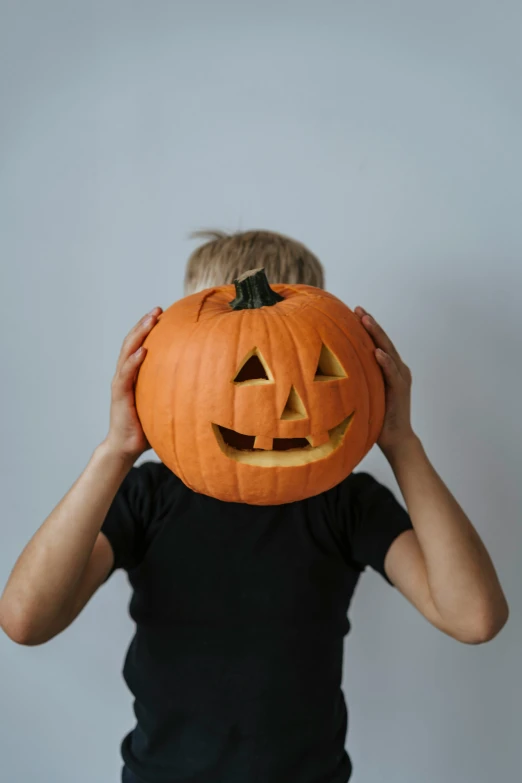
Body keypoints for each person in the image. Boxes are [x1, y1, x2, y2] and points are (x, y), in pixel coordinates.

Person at [0, 229, 509, 783]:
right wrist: (114, 452)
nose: (285, 406)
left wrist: (401, 443)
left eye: (316, 365)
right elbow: (26, 621)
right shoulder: (146, 496)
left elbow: (474, 618)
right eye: (243, 369)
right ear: (174, 362)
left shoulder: (348, 504)